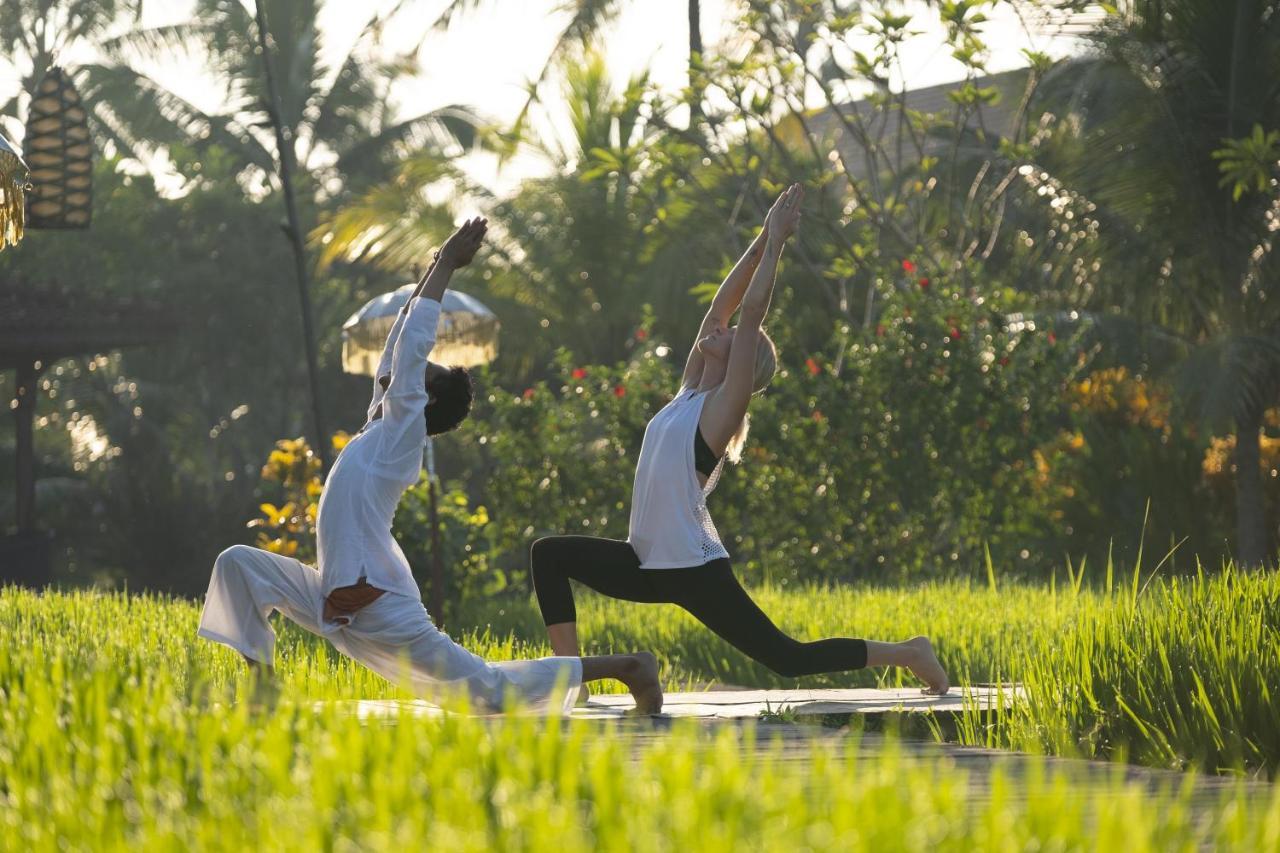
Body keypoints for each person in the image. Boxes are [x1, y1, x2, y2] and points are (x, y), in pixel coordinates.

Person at [199, 218, 662, 715]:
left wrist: (446, 266)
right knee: (237, 563)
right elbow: (401, 338)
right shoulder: (379, 427)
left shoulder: (402, 439)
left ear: (425, 397)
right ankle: (264, 686)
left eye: (425, 372)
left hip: (377, 604)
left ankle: (629, 666)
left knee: (487, 691)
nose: (411, 369)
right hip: (333, 595)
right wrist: (433, 265)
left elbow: (413, 344)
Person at [531, 185, 949, 696]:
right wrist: (760, 239)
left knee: (787, 658)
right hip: (643, 561)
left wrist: (777, 246)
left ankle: (909, 653)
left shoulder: (721, 410)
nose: (719, 329)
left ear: (740, 364)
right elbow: (722, 307)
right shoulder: (686, 393)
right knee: (548, 554)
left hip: (690, 567)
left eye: (729, 336)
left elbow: (749, 315)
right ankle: (572, 681)